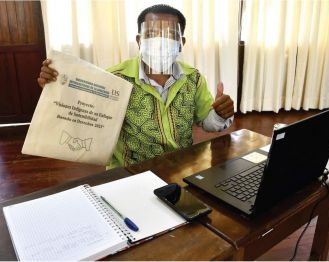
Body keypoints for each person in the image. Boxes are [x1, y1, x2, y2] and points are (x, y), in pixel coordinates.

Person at [37, 4, 234, 169]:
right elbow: (83, 122)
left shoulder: (194, 78)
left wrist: (220, 114)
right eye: (151, 34)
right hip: (130, 172)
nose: (160, 41)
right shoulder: (114, 79)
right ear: (139, 41)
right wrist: (55, 90)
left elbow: (207, 123)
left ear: (181, 43)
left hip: (181, 167)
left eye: (169, 35)